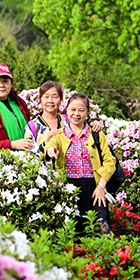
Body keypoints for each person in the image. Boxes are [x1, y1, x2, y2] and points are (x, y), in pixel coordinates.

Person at [46, 92, 115, 234]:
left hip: (94, 189)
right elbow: (50, 146)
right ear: (66, 110)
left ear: (87, 112)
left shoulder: (96, 133)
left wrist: (101, 186)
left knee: (102, 231)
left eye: (81, 110)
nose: (76, 113)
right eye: (73, 109)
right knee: (72, 234)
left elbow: (109, 161)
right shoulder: (59, 134)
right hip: (68, 189)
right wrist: (50, 151)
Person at [25, 81, 102, 158]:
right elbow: (30, 157)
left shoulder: (68, 120)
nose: (50, 100)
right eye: (46, 96)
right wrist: (46, 144)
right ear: (40, 100)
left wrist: (94, 124)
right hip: (44, 169)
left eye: (55, 96)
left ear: (61, 99)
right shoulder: (32, 127)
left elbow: (83, 135)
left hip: (70, 168)